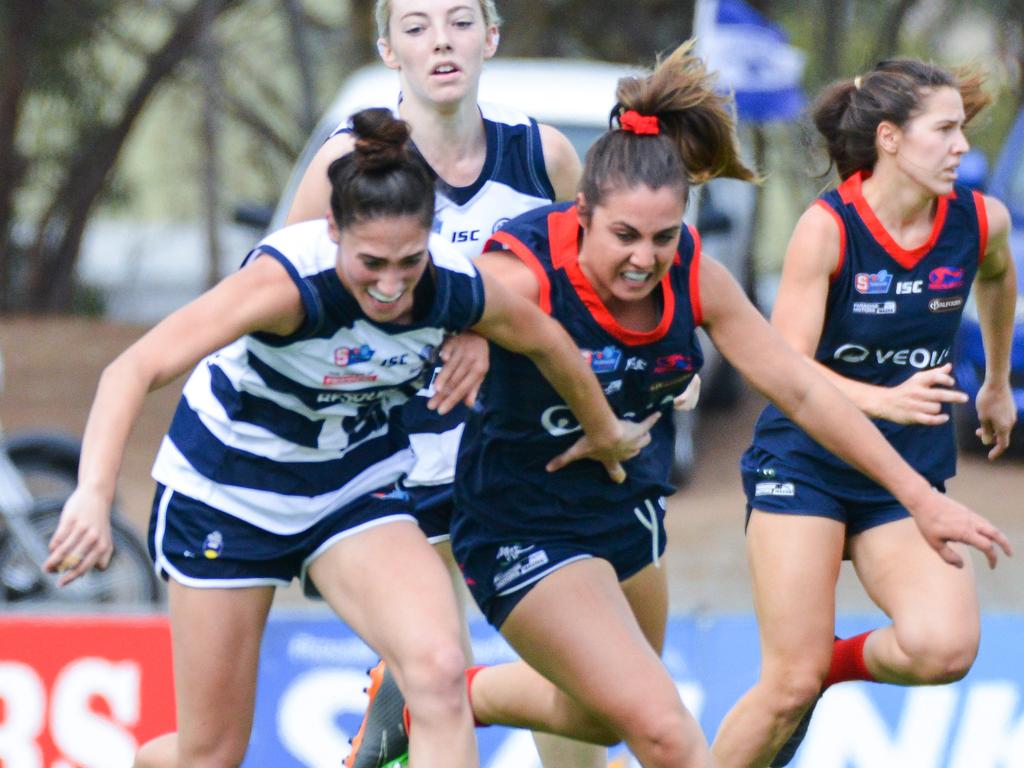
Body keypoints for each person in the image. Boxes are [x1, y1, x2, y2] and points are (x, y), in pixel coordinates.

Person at [335, 44, 1012, 768]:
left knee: (599, 718)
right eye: (623, 236)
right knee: (664, 728)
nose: (642, 258)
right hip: (518, 523)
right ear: (582, 213)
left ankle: (434, 695)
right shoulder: (520, 273)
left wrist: (922, 497)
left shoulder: (697, 274)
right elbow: (403, 298)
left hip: (625, 511)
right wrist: (473, 328)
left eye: (662, 238)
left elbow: (801, 386)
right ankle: (435, 696)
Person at [44, 108, 654, 768]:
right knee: (210, 754)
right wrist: (91, 495)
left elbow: (546, 342)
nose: (391, 287)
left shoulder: (453, 284)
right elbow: (132, 368)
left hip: (350, 486)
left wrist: (606, 431)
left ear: (430, 238)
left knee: (441, 672)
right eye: (370, 264)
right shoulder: (284, 287)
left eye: (409, 262)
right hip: (227, 493)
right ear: (332, 231)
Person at [287, 2, 610, 765]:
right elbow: (282, 295)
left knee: (584, 699)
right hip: (393, 458)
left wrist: (494, 329)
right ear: (387, 49)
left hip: (518, 453)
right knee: (436, 676)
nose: (441, 40)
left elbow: (578, 290)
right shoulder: (348, 163)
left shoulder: (545, 155)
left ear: (491, 37)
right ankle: (402, 699)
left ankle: (405, 696)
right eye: (418, 24)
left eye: (461, 21)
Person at [711, 58, 1018, 768]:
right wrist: (882, 399)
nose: (961, 147)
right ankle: (803, 676)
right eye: (943, 131)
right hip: (806, 469)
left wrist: (996, 382)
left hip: (900, 479)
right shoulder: (828, 229)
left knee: (945, 648)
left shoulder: (979, 221)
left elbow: (998, 277)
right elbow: (783, 369)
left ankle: (827, 668)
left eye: (961, 130)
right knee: (786, 685)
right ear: (889, 138)